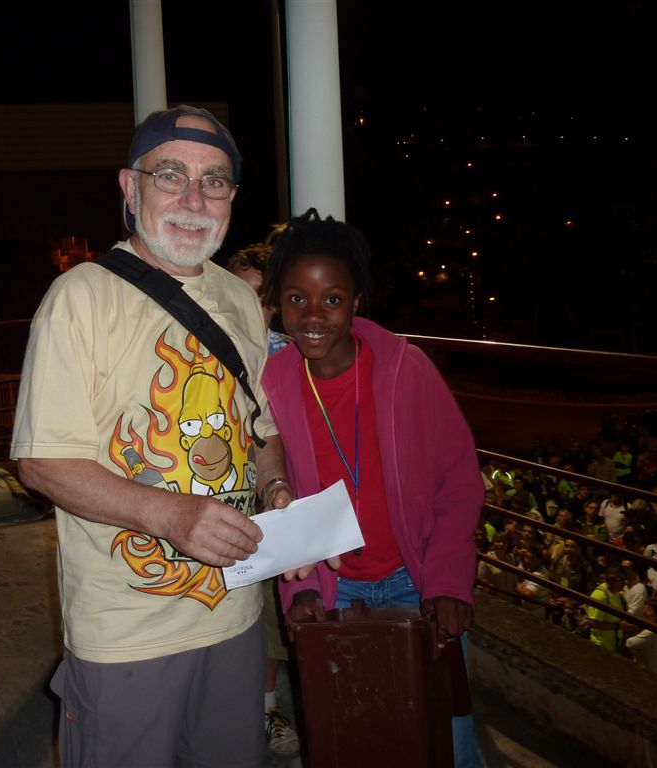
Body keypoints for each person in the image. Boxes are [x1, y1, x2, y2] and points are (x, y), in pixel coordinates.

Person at [11, 105, 293, 768]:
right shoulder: (80, 297)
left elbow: (260, 429)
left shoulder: (240, 299)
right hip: (127, 631)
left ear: (231, 198)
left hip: (236, 612)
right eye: (170, 175)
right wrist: (172, 515)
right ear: (130, 188)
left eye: (213, 181)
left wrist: (277, 488)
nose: (193, 199)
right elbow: (42, 462)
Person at [259, 210, 485, 767]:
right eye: (296, 299)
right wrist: (300, 591)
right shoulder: (273, 386)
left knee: (448, 744)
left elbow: (458, 480)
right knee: (354, 741)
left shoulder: (408, 370)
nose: (313, 315)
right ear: (278, 305)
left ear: (357, 300)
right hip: (335, 594)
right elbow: (282, 499)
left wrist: (448, 580)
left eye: (332, 299)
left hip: (418, 581)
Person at [225, 240, 300, 758]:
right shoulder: (201, 344)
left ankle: (268, 707)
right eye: (238, 292)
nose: (248, 305)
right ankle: (252, 706)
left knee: (280, 608)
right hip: (227, 496)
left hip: (283, 496)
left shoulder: (291, 353)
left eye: (259, 295)